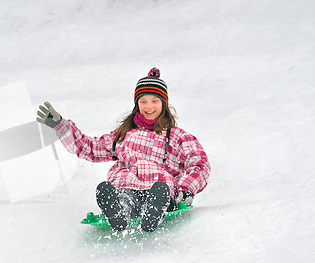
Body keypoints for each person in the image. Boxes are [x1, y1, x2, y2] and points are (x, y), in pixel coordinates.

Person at [36, 67, 211, 232]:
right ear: (137, 104)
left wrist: (186, 187)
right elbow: (89, 147)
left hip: (159, 187)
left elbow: (199, 163)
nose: (148, 107)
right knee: (124, 197)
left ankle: (154, 211)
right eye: (143, 101)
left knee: (158, 192)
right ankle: (118, 211)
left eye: (154, 101)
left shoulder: (177, 136)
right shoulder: (124, 135)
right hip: (125, 185)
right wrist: (60, 126)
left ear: (164, 103)